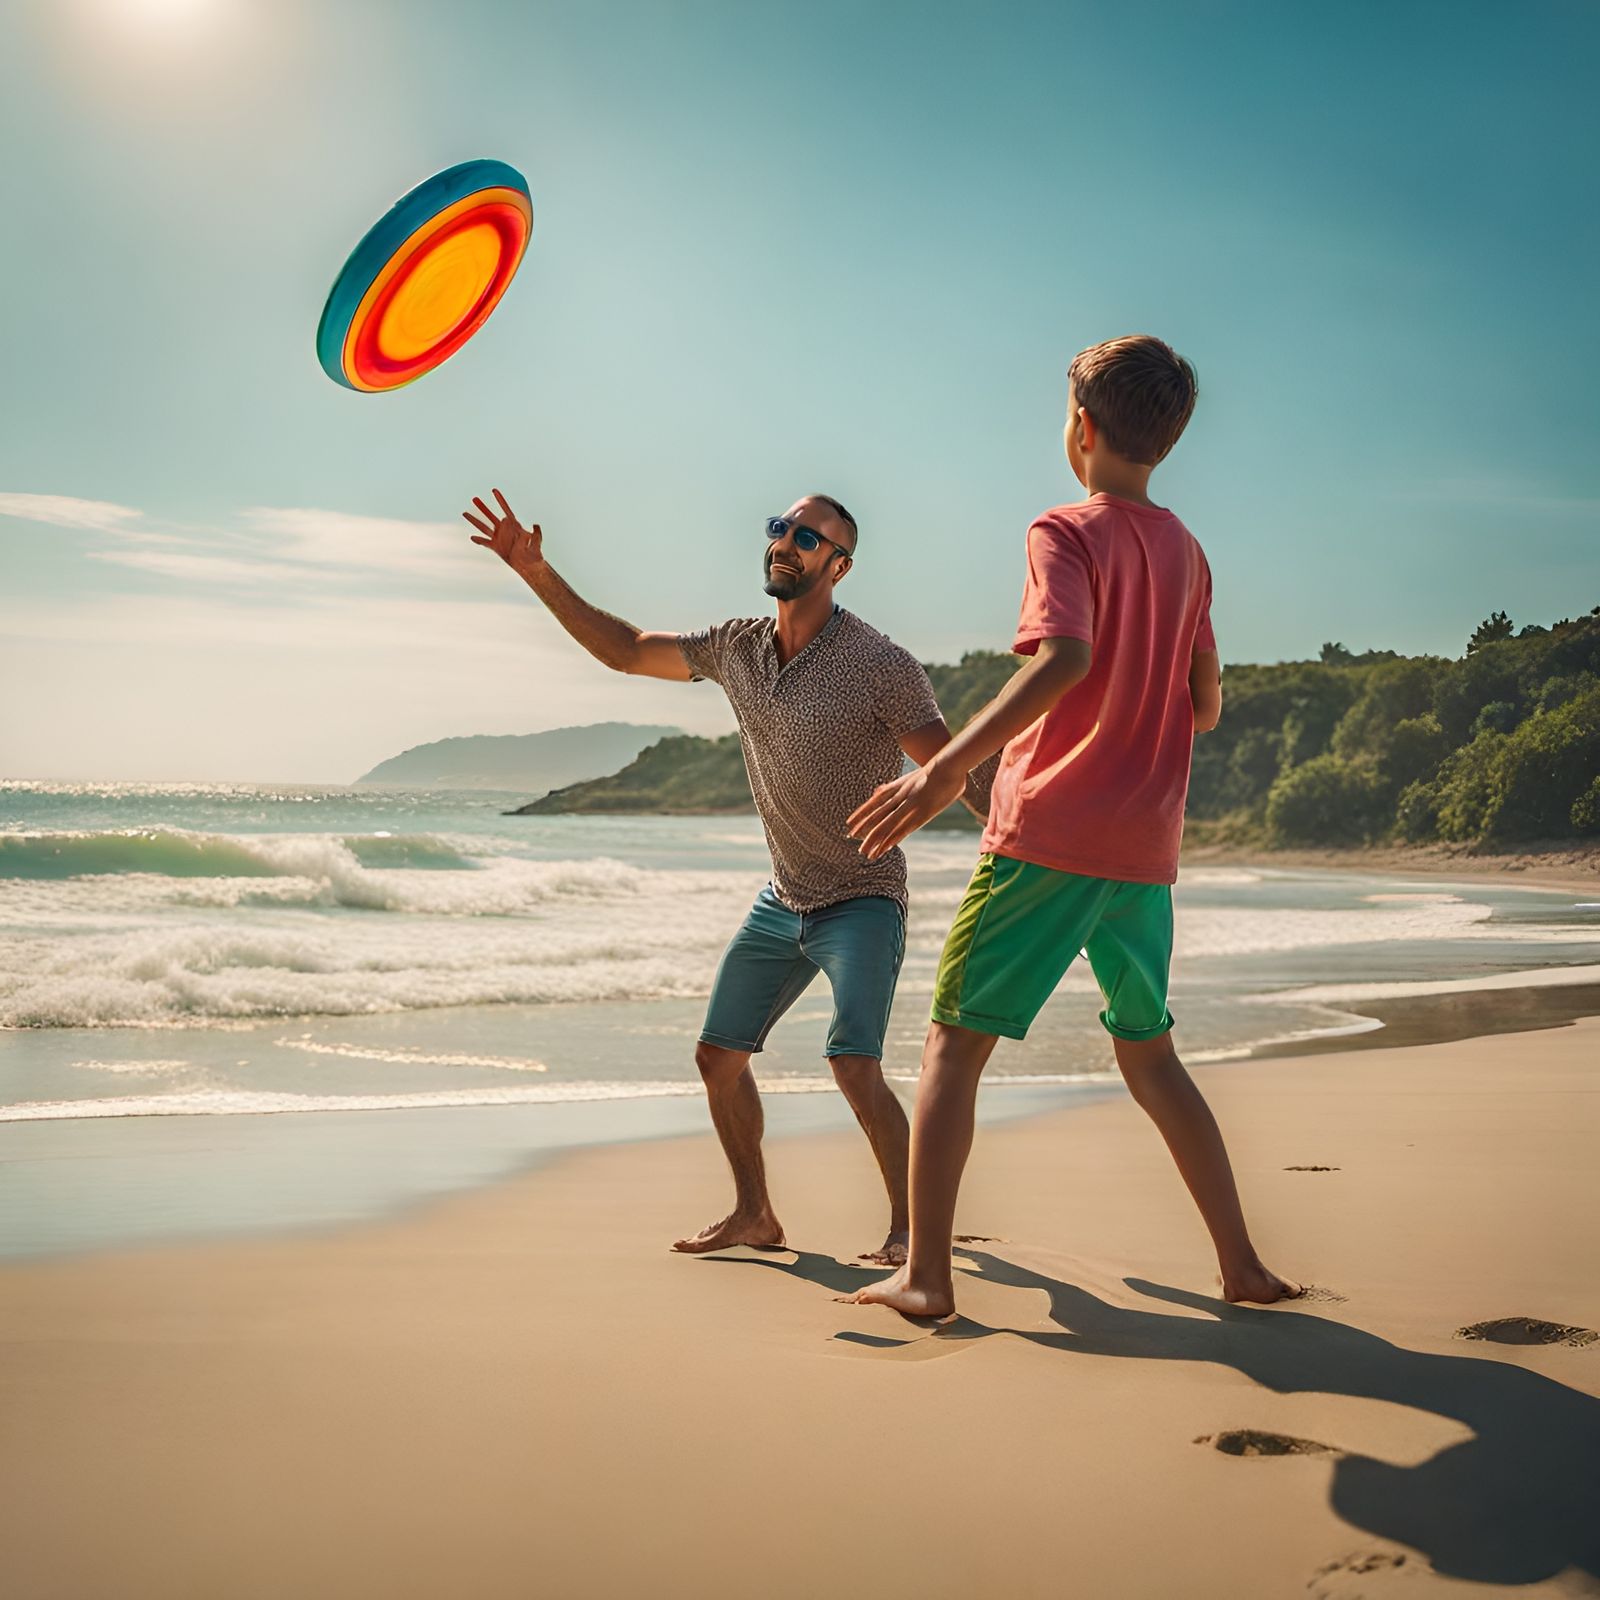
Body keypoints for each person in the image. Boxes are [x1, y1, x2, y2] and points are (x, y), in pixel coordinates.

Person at [842, 335, 1300, 1315]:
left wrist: (948, 764)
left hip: (1048, 833)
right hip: (1145, 850)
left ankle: (925, 1274)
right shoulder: (1188, 552)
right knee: (1151, 1053)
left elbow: (1064, 659)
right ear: (1164, 440)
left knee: (951, 1048)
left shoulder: (1063, 529)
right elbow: (1204, 704)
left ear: (1079, 427)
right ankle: (1242, 1266)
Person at [463, 488, 994, 1264]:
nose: (785, 543)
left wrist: (1031, 837)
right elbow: (624, 649)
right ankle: (755, 1214)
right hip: (784, 898)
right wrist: (537, 572)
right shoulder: (736, 647)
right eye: (779, 529)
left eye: (808, 538)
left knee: (853, 1062)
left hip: (864, 899)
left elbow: (952, 770)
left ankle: (911, 1229)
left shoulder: (881, 665)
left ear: (840, 566)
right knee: (719, 1057)